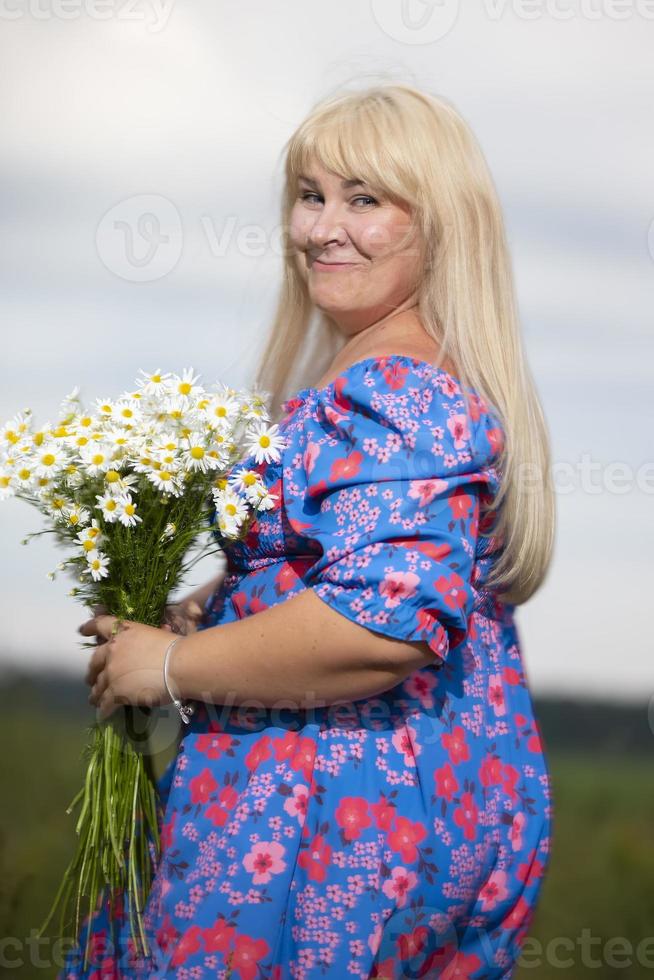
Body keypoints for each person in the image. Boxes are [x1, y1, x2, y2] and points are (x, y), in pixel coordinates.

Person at [60, 83, 555, 979]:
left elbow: (379, 628)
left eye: (365, 200)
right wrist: (217, 610)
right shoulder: (420, 372)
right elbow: (354, 571)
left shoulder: (392, 388)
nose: (321, 228)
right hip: (421, 794)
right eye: (310, 193)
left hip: (324, 814)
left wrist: (165, 668)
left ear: (441, 224)